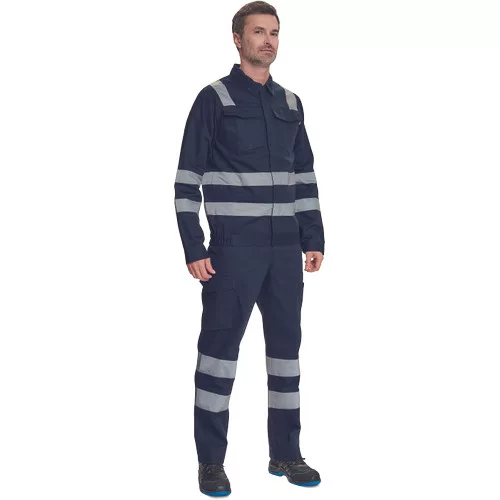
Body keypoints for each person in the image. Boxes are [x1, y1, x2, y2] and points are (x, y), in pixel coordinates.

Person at [174, 2, 325, 496]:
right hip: (232, 252)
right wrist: (193, 246)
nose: (268, 40)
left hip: (284, 253)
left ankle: (287, 453)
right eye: (259, 32)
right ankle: (210, 463)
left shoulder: (291, 103)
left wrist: (313, 237)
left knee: (286, 356)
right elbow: (186, 180)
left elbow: (304, 175)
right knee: (218, 356)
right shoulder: (214, 99)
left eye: (274, 32)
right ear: (238, 39)